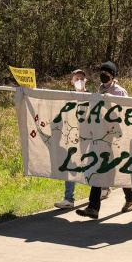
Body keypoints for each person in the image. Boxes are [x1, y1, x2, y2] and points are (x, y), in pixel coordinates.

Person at [76, 61, 132, 219]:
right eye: (102, 71)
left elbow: (125, 113)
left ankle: (130, 199)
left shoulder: (120, 91)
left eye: (107, 72)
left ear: (113, 75)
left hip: (116, 137)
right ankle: (93, 208)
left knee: (118, 168)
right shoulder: (99, 89)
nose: (103, 75)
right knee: (98, 168)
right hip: (101, 136)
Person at [55, 68, 88, 209]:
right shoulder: (67, 97)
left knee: (92, 165)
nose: (79, 81)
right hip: (72, 138)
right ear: (72, 81)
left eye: (81, 78)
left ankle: (103, 188)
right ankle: (69, 198)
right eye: (76, 79)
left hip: (89, 137)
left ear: (85, 81)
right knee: (70, 165)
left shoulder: (91, 96)